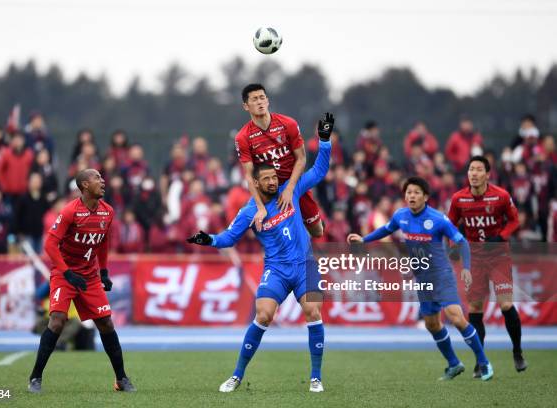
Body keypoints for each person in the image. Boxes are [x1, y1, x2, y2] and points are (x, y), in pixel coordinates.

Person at [188, 112, 335, 393]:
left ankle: (316, 377)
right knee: (264, 314)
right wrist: (208, 240)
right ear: (255, 183)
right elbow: (229, 238)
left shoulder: (289, 192)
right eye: (265, 178)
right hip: (277, 269)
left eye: (272, 177)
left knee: (313, 311)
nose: (271, 181)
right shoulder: (250, 211)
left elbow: (318, 171)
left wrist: (324, 141)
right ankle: (237, 375)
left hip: (305, 264)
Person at [347, 176, 494, 381]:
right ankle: (454, 364)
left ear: (425, 197)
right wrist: (364, 239)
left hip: (442, 275)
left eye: (416, 192)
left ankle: (484, 362)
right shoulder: (401, 216)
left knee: (455, 317)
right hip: (422, 278)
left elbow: (462, 242)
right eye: (408, 192)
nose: (411, 196)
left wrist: (466, 268)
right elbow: (385, 230)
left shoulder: (438, 219)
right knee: (432, 324)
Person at [27, 169, 135, 393]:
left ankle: (122, 379)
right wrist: (66, 273)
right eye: (97, 178)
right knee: (57, 320)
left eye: (102, 178)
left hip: (89, 276)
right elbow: (49, 245)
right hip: (64, 275)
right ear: (84, 185)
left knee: (106, 323)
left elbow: (103, 242)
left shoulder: (108, 212)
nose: (103, 181)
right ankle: (35, 378)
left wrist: (103, 271)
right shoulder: (70, 212)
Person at [448, 156, 526, 376]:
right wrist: (453, 244)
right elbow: (450, 224)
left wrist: (501, 237)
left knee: (505, 305)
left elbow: (514, 220)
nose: (473, 173)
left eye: (478, 169)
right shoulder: (458, 199)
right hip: (474, 260)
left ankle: (517, 351)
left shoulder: (501, 195)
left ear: (487, 174)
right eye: (470, 169)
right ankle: (480, 361)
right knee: (474, 310)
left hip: (499, 257)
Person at [234, 83, 324, 237]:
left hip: (295, 185)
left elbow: (301, 159)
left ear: (268, 101)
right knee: (276, 234)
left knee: (317, 232)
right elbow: (249, 176)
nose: (259, 102)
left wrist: (290, 189)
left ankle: (302, 226)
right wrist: (260, 207)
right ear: (246, 106)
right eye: (254, 99)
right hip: (269, 192)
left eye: (262, 98)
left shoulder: (288, 123)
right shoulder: (242, 137)